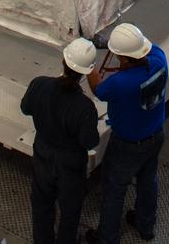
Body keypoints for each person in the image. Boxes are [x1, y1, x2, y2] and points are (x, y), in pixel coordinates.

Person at [86, 23, 168, 244]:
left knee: (114, 190)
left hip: (127, 145)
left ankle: (107, 238)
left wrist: (88, 63)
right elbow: (144, 49)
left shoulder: (120, 83)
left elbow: (98, 90)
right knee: (147, 180)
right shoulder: (160, 59)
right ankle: (145, 225)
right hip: (156, 133)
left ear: (122, 58)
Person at [22, 38, 101, 244]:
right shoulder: (84, 107)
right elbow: (89, 142)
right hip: (70, 163)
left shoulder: (39, 84)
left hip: (43, 153)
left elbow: (25, 108)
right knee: (70, 210)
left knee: (41, 203)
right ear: (86, 72)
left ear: (63, 60)